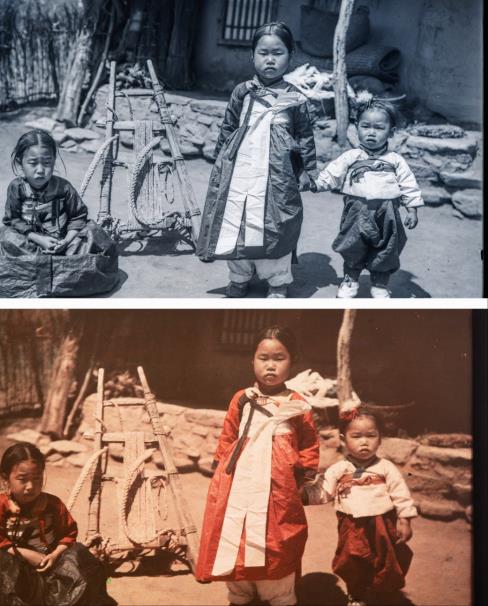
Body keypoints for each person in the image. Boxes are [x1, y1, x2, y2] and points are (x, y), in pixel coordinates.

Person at [196, 327, 320, 606]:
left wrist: (306, 479)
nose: (271, 365)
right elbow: (228, 437)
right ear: (252, 360)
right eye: (263, 357)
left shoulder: (297, 404)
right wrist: (219, 474)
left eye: (280, 358)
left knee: (276, 537)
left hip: (280, 489)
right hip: (239, 482)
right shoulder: (242, 398)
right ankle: (241, 594)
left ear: (293, 360)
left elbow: (309, 444)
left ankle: (277, 595)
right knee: (236, 533)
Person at [196, 22, 317, 298]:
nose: (270, 59)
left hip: (278, 176)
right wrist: (220, 162)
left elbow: (305, 137)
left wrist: (308, 170)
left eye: (278, 52)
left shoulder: (295, 99)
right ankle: (239, 276)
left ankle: (277, 281)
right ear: (252, 56)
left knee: (276, 224)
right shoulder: (243, 92)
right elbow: (228, 127)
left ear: (291, 55)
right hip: (241, 171)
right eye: (263, 53)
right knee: (235, 221)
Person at [0, 442, 116, 606]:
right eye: (22, 479)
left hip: (52, 569)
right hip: (14, 572)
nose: (30, 487)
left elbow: (69, 535)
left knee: (79, 555)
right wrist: (27, 555)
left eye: (37, 479)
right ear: (5, 478)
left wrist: (54, 555)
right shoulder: (1, 504)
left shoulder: (53, 504)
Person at [0, 129, 118, 297]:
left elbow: (78, 217)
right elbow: (13, 220)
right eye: (33, 163)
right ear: (21, 164)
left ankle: (37, 270)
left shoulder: (64, 188)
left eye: (47, 163)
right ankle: (59, 270)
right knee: (5, 237)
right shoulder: (17, 188)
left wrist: (65, 241)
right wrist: (39, 239)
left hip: (64, 247)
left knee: (93, 233)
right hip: (29, 245)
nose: (41, 170)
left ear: (54, 162)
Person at [301, 407, 417, 606]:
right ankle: (356, 594)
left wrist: (404, 519)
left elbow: (400, 494)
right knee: (351, 561)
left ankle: (382, 591)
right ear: (343, 439)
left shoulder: (385, 467)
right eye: (356, 436)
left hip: (382, 523)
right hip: (351, 525)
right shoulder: (339, 469)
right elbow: (324, 491)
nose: (364, 442)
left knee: (386, 560)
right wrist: (302, 494)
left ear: (380, 439)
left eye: (371, 436)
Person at [312, 99, 424, 298]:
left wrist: (412, 209)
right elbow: (332, 174)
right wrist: (317, 184)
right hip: (356, 211)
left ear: (391, 131)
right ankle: (350, 280)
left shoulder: (395, 160)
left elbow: (409, 185)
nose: (371, 132)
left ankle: (380, 284)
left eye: (379, 128)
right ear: (357, 128)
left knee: (387, 248)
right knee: (352, 244)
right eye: (365, 126)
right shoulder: (352, 156)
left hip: (387, 212)